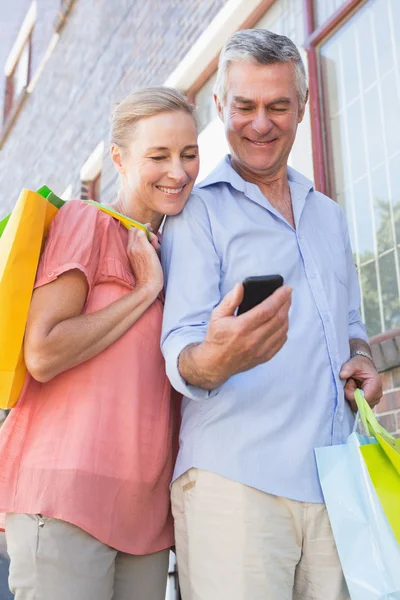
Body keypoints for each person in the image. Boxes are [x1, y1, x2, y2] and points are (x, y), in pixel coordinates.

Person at [161, 30, 382, 600]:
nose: (261, 123)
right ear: (219, 107)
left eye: (278, 106)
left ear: (303, 108)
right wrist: (216, 356)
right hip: (236, 486)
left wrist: (361, 359)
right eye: (245, 106)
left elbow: (352, 322)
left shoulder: (329, 216)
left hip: (336, 483)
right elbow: (180, 350)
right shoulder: (196, 212)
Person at [0, 86, 199, 600]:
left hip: (145, 515)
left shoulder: (177, 247)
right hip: (66, 495)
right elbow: (42, 352)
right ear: (119, 158)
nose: (177, 172)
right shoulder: (87, 221)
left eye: (189, 153)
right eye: (158, 155)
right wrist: (145, 292)